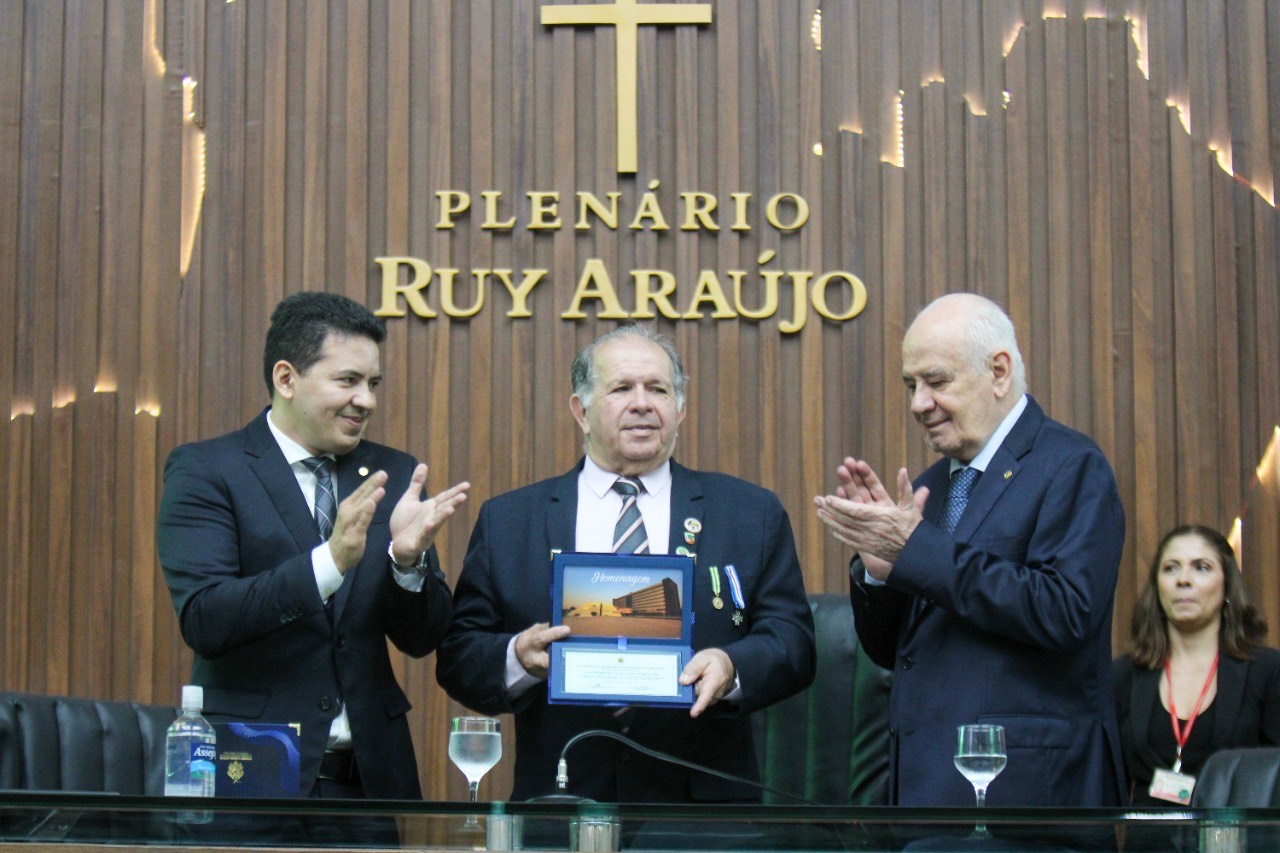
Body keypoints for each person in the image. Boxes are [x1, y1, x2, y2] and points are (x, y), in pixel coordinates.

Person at [436, 325, 816, 803]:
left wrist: (731, 666)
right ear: (581, 410)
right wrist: (519, 658)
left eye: (658, 389)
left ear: (680, 409)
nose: (642, 403)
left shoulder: (749, 513)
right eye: (621, 388)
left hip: (705, 811)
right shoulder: (510, 520)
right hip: (561, 801)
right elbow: (459, 655)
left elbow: (794, 642)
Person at [814, 292, 1126, 808]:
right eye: (911, 386)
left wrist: (918, 549)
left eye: (936, 382)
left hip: (1026, 797)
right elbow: (892, 652)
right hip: (922, 792)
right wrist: (881, 572)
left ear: (999, 372)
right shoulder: (931, 487)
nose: (918, 403)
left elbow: (1065, 612)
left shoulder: (1070, 465)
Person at [158, 291, 469, 800]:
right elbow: (206, 619)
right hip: (251, 775)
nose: (366, 400)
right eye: (347, 381)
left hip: (369, 783)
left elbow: (422, 638)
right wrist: (329, 562)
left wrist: (406, 563)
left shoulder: (391, 475)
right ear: (287, 379)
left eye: (372, 384)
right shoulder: (208, 470)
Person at [1114, 524, 1280, 806]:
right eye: (1171, 568)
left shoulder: (1267, 670)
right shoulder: (1123, 675)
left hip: (1234, 845)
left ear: (1227, 584)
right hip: (1148, 845)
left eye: (1201, 567)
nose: (1183, 580)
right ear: (1157, 586)